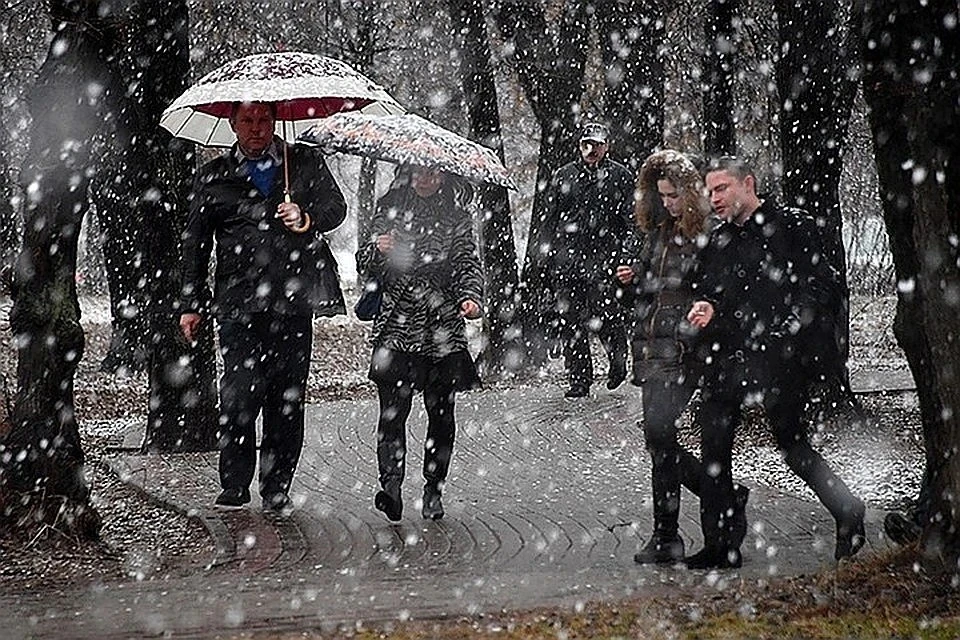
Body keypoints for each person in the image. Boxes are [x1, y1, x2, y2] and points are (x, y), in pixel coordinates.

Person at [685, 156, 865, 569]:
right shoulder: (719, 240)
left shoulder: (791, 225)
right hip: (728, 355)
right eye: (709, 191)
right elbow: (708, 290)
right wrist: (706, 308)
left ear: (747, 184)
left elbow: (824, 284)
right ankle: (720, 544)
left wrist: (790, 326)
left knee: (791, 444)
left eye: (721, 189)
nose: (713, 199)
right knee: (714, 442)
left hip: (781, 356)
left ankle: (848, 509)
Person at [180, 101, 347, 514]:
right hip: (238, 305)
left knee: (286, 398)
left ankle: (277, 485)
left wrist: (305, 216)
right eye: (248, 121)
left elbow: (336, 209)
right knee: (238, 394)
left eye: (264, 120)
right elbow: (195, 244)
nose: (256, 128)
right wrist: (191, 303)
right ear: (233, 124)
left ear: (275, 121)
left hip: (292, 303)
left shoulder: (302, 162)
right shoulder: (215, 176)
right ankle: (235, 483)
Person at [616, 150, 749, 565]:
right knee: (658, 440)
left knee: (659, 434)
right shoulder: (659, 231)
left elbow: (713, 288)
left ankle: (691, 516)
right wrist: (631, 280)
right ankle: (672, 530)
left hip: (685, 349)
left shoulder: (709, 233)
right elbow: (647, 288)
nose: (668, 203)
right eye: (661, 196)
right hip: (653, 344)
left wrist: (691, 317)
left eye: (674, 196)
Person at [356, 166, 483, 522]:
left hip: (441, 324)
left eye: (432, 173)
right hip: (397, 325)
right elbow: (364, 263)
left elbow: (467, 263)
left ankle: (433, 488)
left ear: (443, 177)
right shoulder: (390, 207)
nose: (424, 179)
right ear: (407, 174)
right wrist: (378, 249)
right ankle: (391, 486)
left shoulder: (456, 216)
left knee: (441, 414)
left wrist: (471, 297)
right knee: (392, 412)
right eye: (418, 173)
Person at [543, 122, 634, 398]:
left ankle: (617, 360)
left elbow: (631, 221)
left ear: (607, 146)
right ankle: (579, 378)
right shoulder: (563, 176)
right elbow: (550, 221)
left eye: (597, 144)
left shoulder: (621, 177)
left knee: (606, 315)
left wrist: (626, 256)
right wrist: (548, 260)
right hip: (568, 261)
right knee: (571, 321)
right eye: (587, 143)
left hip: (605, 260)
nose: (591, 149)